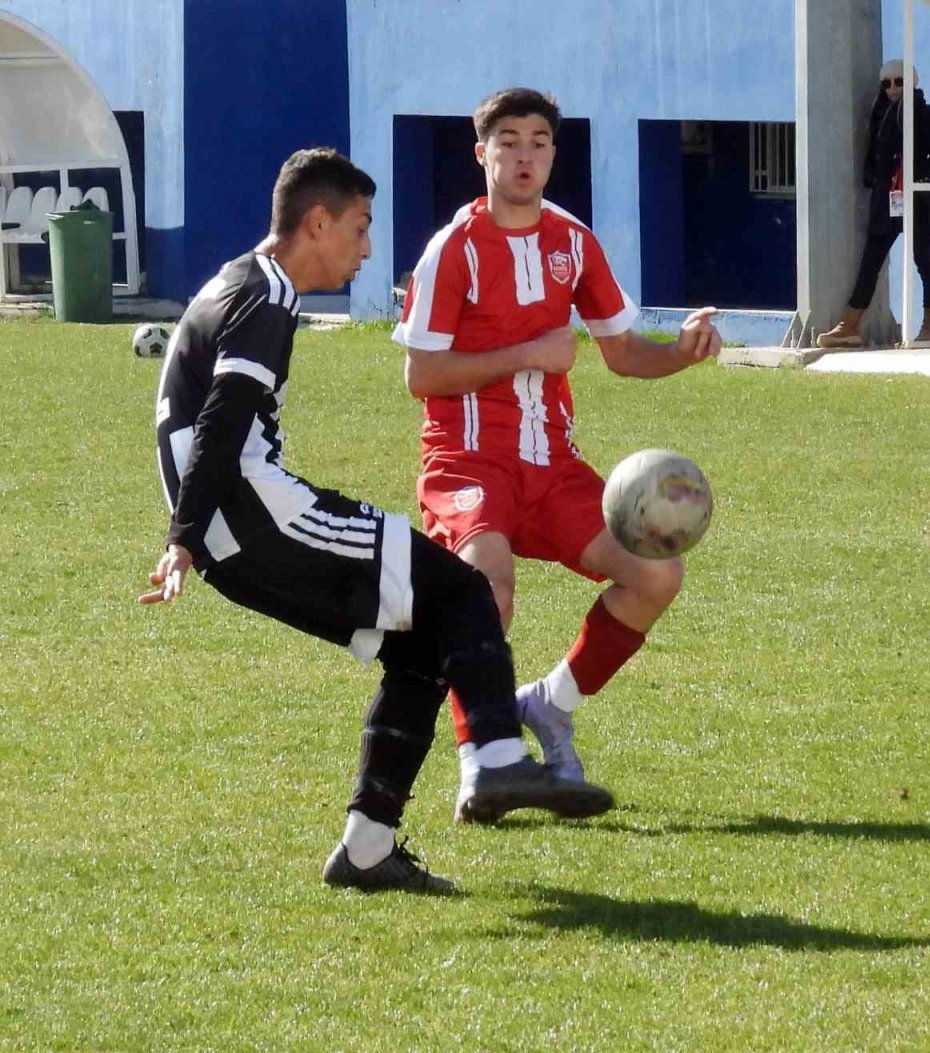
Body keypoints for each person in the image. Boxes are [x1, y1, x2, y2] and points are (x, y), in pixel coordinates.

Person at [141, 147, 614, 895]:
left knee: (423, 642)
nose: (366, 249)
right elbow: (222, 421)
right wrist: (183, 538)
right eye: (359, 228)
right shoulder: (266, 296)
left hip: (235, 531)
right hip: (259, 517)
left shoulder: (239, 281)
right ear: (316, 223)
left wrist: (192, 535)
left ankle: (366, 849)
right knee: (462, 590)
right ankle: (497, 758)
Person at [392, 88, 721, 818]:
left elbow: (624, 354)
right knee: (485, 588)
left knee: (657, 574)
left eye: (538, 142)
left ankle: (550, 703)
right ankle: (485, 763)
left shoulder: (573, 241)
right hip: (467, 461)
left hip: (553, 468)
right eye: (508, 141)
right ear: (482, 154)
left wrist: (683, 351)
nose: (524, 155)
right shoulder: (453, 248)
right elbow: (422, 376)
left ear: (552, 155)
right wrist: (528, 353)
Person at [816, 60, 930, 349]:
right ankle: (849, 326)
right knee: (870, 262)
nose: (892, 88)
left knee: (924, 261)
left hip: (916, 198)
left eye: (899, 81)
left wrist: (913, 175)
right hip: (886, 200)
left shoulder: (926, 113)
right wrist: (874, 176)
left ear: (911, 83)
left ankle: (929, 327)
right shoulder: (879, 113)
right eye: (886, 83)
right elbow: (872, 156)